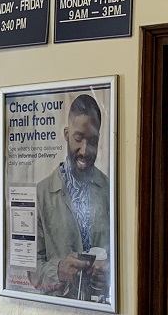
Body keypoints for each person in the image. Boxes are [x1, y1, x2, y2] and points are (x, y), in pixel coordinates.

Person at [31, 93, 111, 302]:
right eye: (78, 139)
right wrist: (58, 270)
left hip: (105, 314)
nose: (84, 150)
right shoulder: (41, 194)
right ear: (66, 134)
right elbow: (29, 269)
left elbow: (125, 255)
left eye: (92, 141)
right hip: (57, 313)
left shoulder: (110, 190)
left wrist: (109, 274)